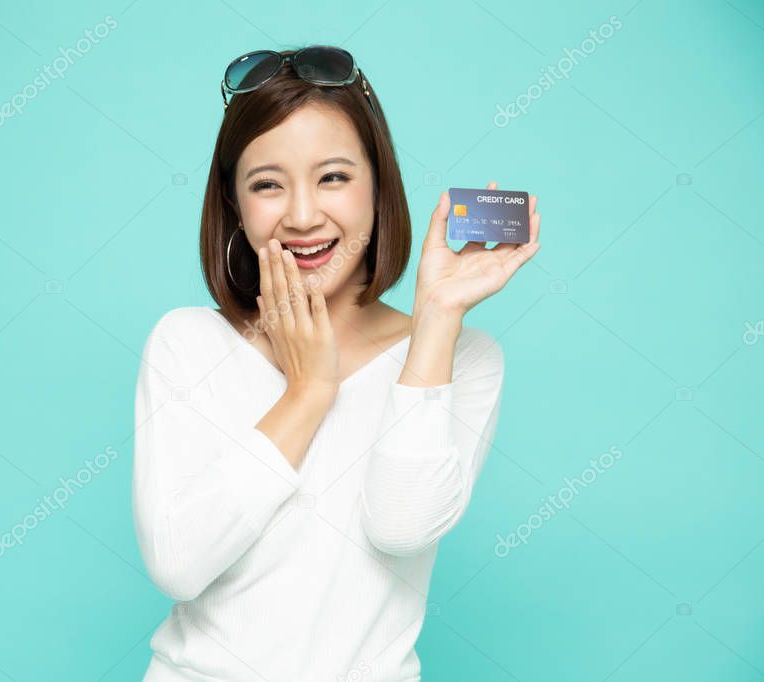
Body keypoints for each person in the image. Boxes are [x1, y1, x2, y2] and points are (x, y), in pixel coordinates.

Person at [132, 45, 541, 682]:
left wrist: (435, 321)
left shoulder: (466, 357)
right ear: (235, 204)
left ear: (379, 187)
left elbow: (401, 526)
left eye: (333, 177)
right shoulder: (187, 344)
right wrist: (308, 391)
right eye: (267, 184)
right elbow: (178, 564)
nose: (301, 216)